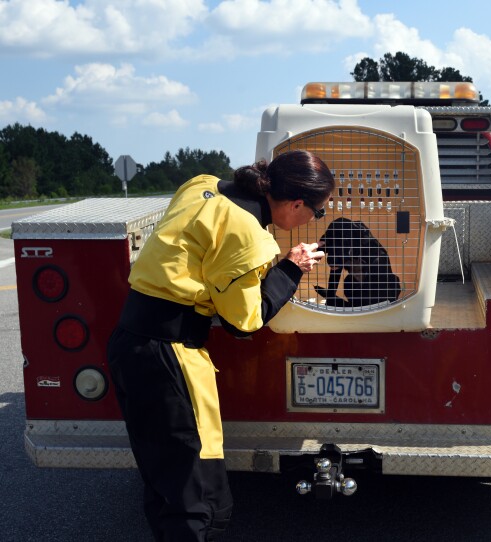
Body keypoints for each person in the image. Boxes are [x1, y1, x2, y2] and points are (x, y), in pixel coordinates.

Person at [107, 150, 334, 540]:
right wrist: (290, 268)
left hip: (130, 343)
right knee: (200, 503)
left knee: (165, 482)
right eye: (316, 212)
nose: (314, 220)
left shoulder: (202, 184)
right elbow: (242, 321)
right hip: (170, 357)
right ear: (296, 204)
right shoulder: (249, 236)